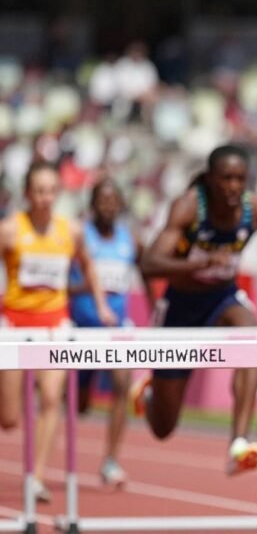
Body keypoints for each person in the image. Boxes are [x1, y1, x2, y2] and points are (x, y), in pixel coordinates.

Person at [137, 144, 257, 476]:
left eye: (240, 179)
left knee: (250, 335)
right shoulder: (189, 207)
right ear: (209, 179)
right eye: (226, 179)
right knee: (163, 428)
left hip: (222, 297)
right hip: (181, 307)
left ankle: (239, 443)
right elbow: (150, 263)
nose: (233, 186)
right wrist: (201, 263)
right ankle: (150, 395)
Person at [0, 161, 117, 502]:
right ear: (27, 193)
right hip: (16, 325)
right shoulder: (10, 230)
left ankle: (36, 477)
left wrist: (102, 306)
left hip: (55, 324)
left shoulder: (71, 231)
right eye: (39, 191)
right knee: (8, 418)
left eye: (51, 191)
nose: (45, 198)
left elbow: (89, 265)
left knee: (52, 398)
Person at [69, 178, 155, 487]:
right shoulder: (79, 236)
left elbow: (147, 275)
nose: (108, 206)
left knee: (122, 384)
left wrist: (155, 309)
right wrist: (87, 287)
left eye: (113, 200)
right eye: (102, 200)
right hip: (81, 331)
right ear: (92, 204)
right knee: (80, 405)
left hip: (115, 330)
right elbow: (59, 283)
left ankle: (111, 461)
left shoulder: (130, 240)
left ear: (120, 204)